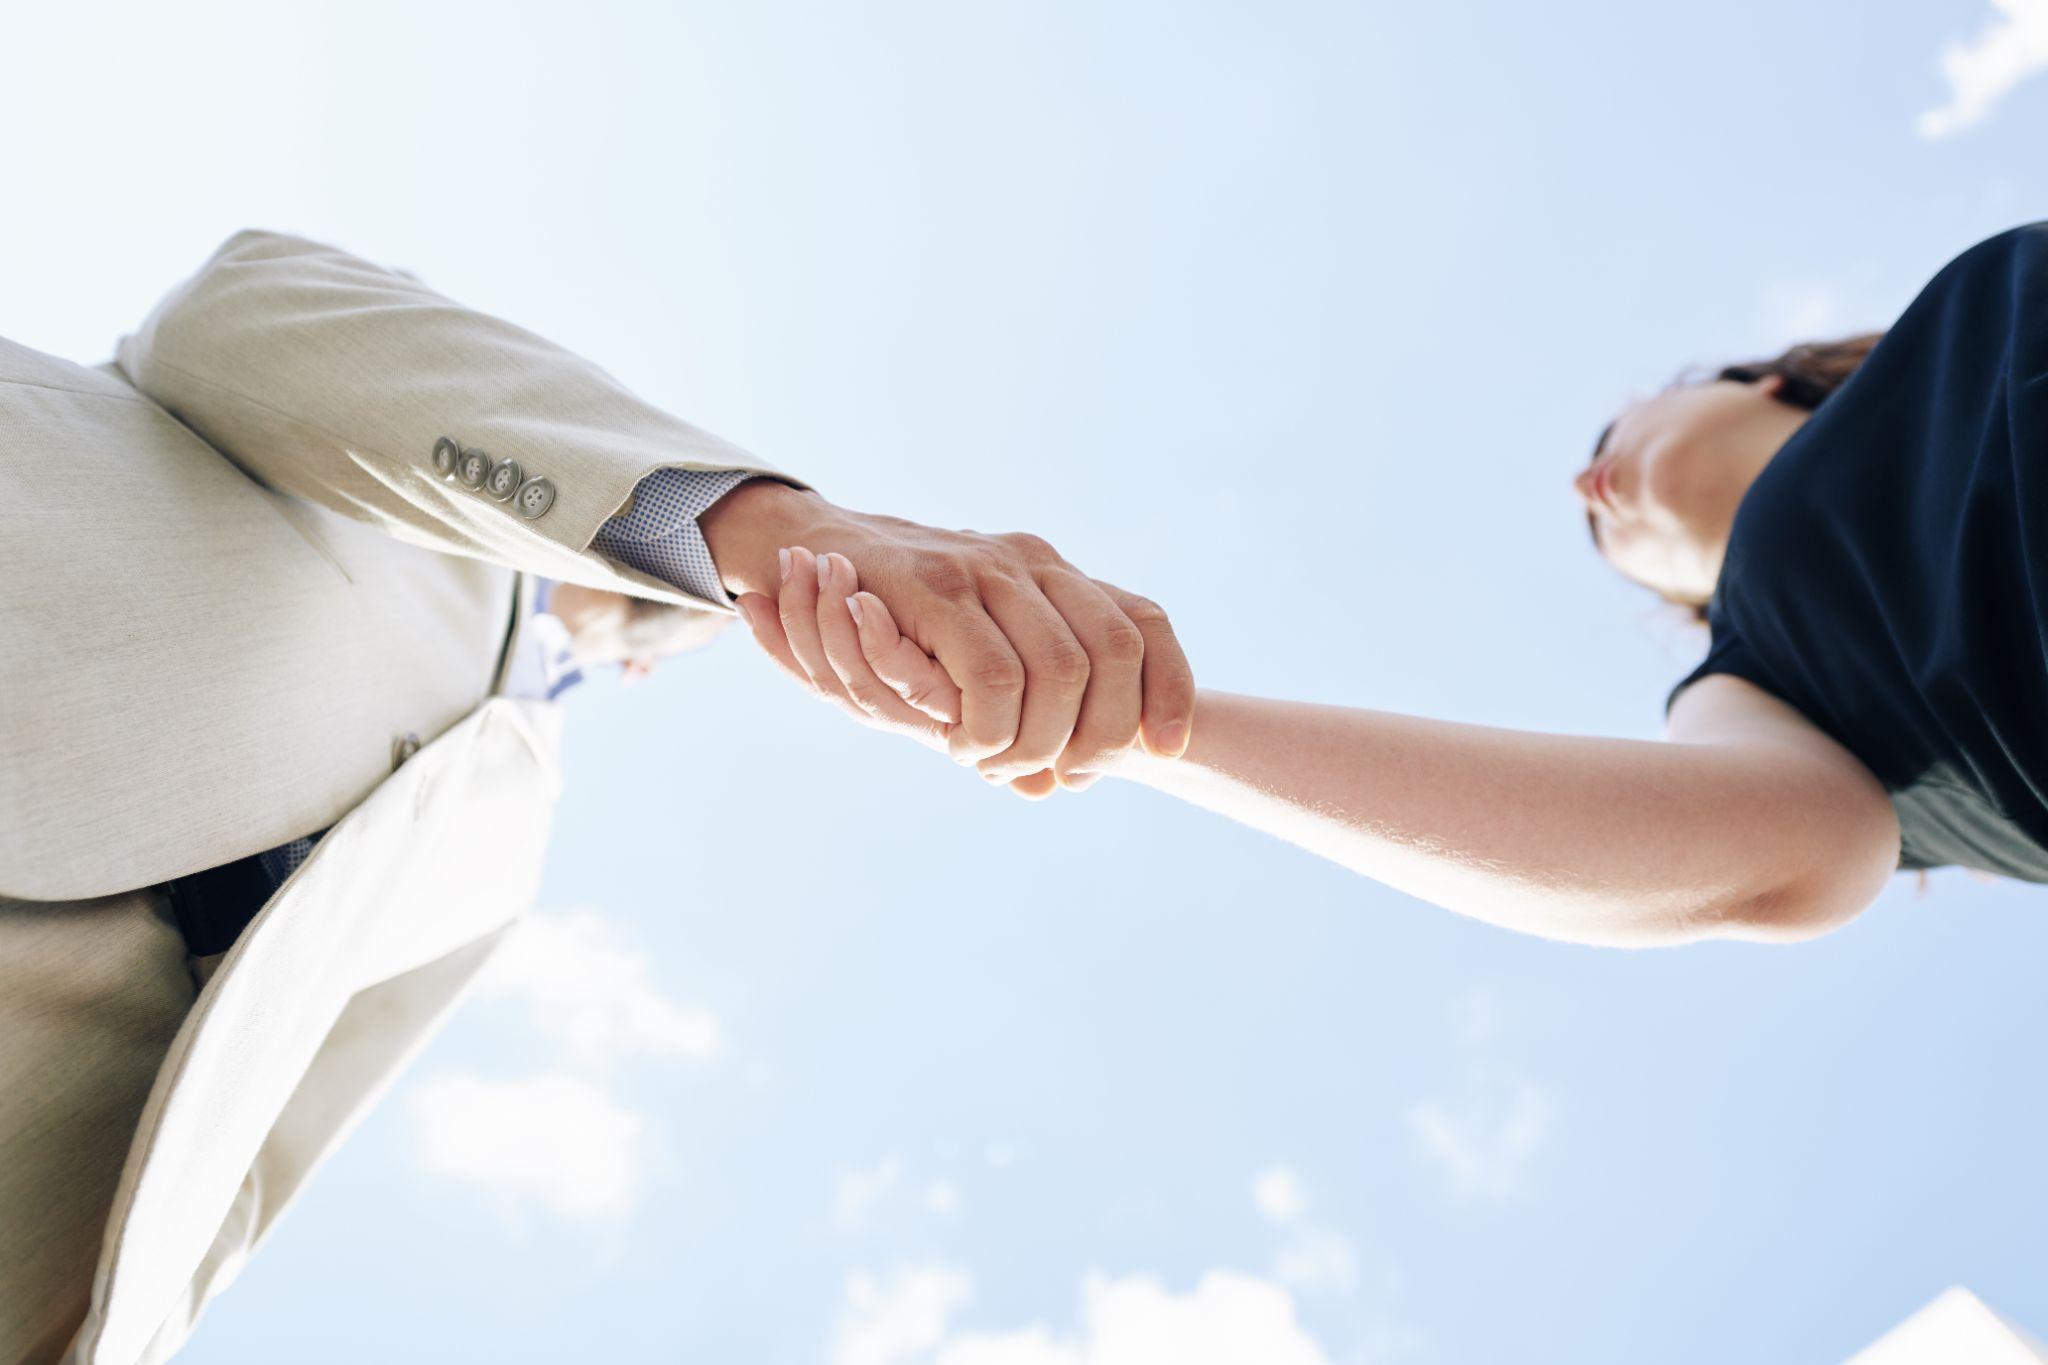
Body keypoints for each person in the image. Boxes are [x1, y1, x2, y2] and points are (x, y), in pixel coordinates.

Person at [0, 229, 1192, 1363]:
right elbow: (243, 312)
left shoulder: (507, 853)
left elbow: (256, 1152)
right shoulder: (438, 465)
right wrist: (755, 527)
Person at [740, 223, 2048, 948]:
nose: (1588, 486)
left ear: (1756, 379)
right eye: (1609, 540)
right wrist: (1135, 720)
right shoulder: (1769, 675)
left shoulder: (1977, 299)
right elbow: (1771, 847)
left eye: (1617, 431)